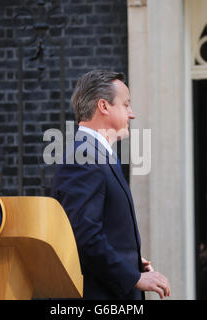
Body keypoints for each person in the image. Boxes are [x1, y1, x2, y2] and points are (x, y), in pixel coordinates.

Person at [52, 70, 171, 300]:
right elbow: (85, 236)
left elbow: (101, 229)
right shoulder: (83, 157)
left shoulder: (94, 155)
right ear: (104, 107)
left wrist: (129, 260)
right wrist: (133, 277)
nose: (132, 114)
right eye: (126, 104)